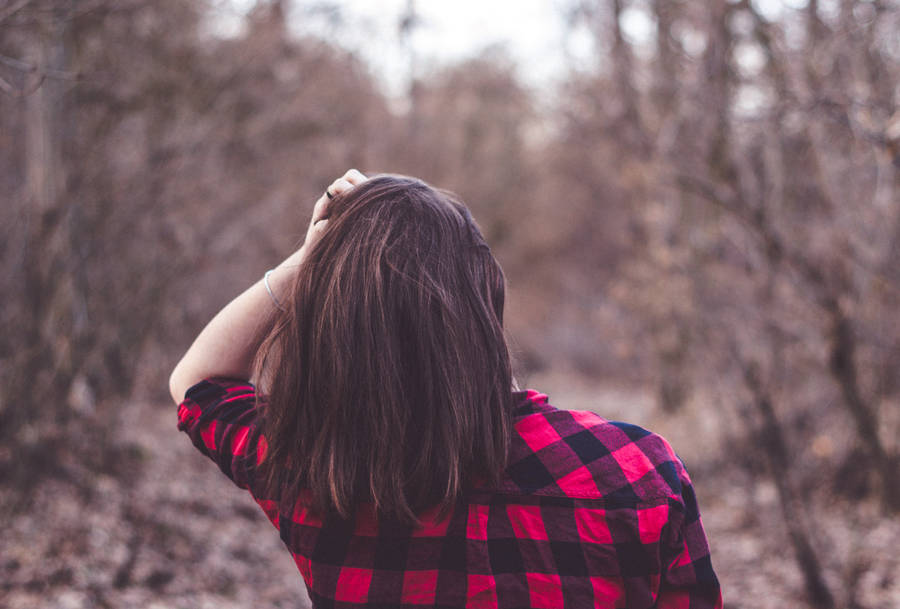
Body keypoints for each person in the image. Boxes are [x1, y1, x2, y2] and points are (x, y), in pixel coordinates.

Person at [170, 170, 723, 608]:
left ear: (334, 327)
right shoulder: (637, 472)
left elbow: (197, 382)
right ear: (487, 299)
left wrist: (310, 260)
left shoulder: (311, 469)